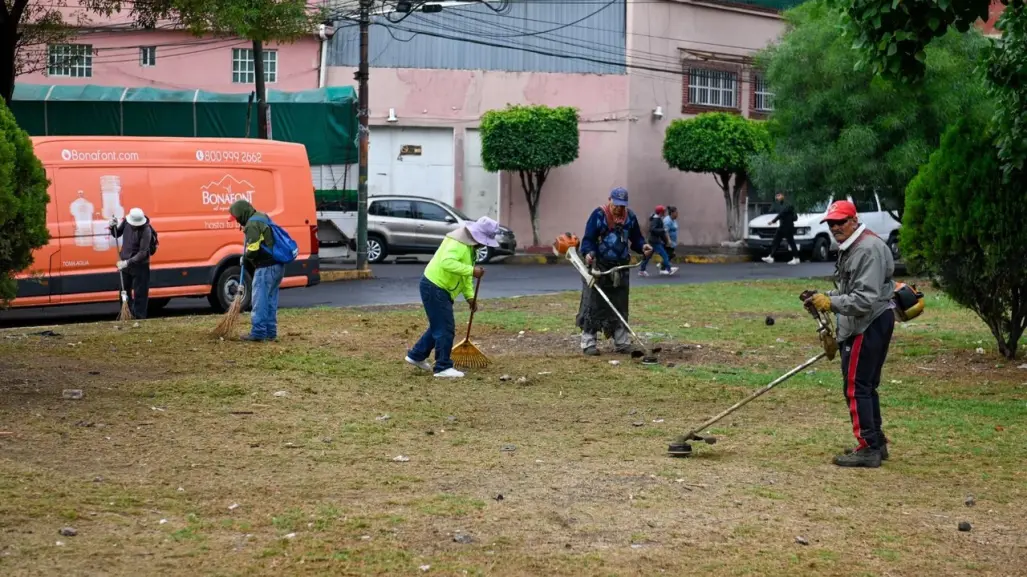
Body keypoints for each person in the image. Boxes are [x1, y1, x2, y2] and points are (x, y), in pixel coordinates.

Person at [803, 200, 896, 468]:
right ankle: (875, 442)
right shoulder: (855, 246)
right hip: (869, 321)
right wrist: (822, 296)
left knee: (856, 387)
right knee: (866, 386)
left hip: (868, 323)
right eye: (831, 223)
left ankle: (868, 448)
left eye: (841, 222)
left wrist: (830, 303)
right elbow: (851, 289)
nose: (835, 227)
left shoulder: (867, 250)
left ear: (853, 220)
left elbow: (863, 300)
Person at [406, 216, 500, 378]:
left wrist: (470, 297)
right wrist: (472, 271)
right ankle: (442, 367)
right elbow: (447, 263)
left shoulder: (470, 247)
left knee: (438, 325)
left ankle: (417, 355)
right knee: (445, 327)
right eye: (485, 240)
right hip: (435, 286)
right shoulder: (459, 243)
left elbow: (464, 276)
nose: (484, 244)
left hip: (440, 288)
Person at [575, 187, 652, 356]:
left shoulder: (630, 217)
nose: (619, 208)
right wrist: (588, 253)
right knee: (593, 304)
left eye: (622, 205)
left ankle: (621, 341)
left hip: (620, 266)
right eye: (616, 204)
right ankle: (588, 342)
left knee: (620, 303)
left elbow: (636, 238)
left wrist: (642, 247)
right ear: (609, 199)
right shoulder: (598, 215)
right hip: (599, 266)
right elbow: (588, 240)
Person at [229, 199, 285, 342]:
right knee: (270, 299)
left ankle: (258, 332)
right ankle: (270, 332)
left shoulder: (252, 224)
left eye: (236, 219)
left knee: (259, 299)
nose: (237, 222)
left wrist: (245, 257)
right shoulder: (261, 216)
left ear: (242, 214)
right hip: (277, 265)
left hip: (266, 267)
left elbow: (253, 249)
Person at [109, 207, 153, 319]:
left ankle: (139, 318)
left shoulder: (146, 230)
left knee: (140, 294)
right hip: (125, 262)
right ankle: (127, 316)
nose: (134, 226)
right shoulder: (127, 222)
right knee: (124, 292)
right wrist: (112, 226)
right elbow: (116, 233)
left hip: (140, 265)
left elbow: (143, 252)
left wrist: (127, 262)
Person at [639, 205, 678, 277]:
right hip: (655, 241)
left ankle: (642, 270)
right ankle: (669, 269)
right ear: (660, 212)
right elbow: (652, 229)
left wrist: (666, 241)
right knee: (665, 255)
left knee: (648, 256)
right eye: (663, 212)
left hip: (653, 240)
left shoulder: (658, 219)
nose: (665, 213)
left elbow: (661, 233)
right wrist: (663, 230)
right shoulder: (656, 220)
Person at [763, 192, 800, 265]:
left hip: (788, 227)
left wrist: (773, 221)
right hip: (782, 227)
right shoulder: (782, 204)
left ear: (783, 195)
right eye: (776, 196)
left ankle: (796, 258)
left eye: (779, 196)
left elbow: (782, 214)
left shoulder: (787, 204)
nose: (777, 198)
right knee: (776, 241)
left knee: (791, 242)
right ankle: (771, 257)